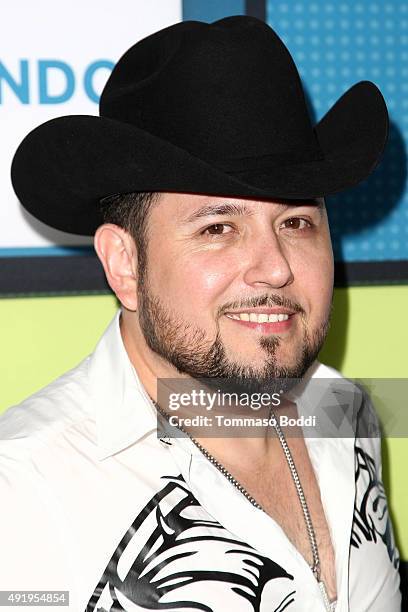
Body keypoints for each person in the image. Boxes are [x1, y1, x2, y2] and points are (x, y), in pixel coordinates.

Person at [2, 16, 401, 612]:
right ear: (125, 264)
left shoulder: (346, 414)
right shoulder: (24, 491)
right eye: (218, 228)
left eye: (296, 223)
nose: (275, 268)